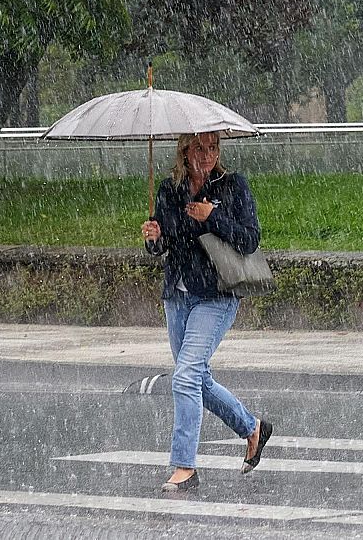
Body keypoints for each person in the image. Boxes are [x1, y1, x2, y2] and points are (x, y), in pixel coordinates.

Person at [141, 131, 274, 493]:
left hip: (216, 295)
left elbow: (249, 239)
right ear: (185, 150)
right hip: (177, 295)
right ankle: (253, 428)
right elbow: (167, 242)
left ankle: (184, 466)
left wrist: (213, 215)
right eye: (200, 146)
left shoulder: (232, 186)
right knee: (196, 379)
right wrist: (154, 239)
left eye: (213, 146)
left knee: (184, 378)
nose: (208, 154)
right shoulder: (170, 190)